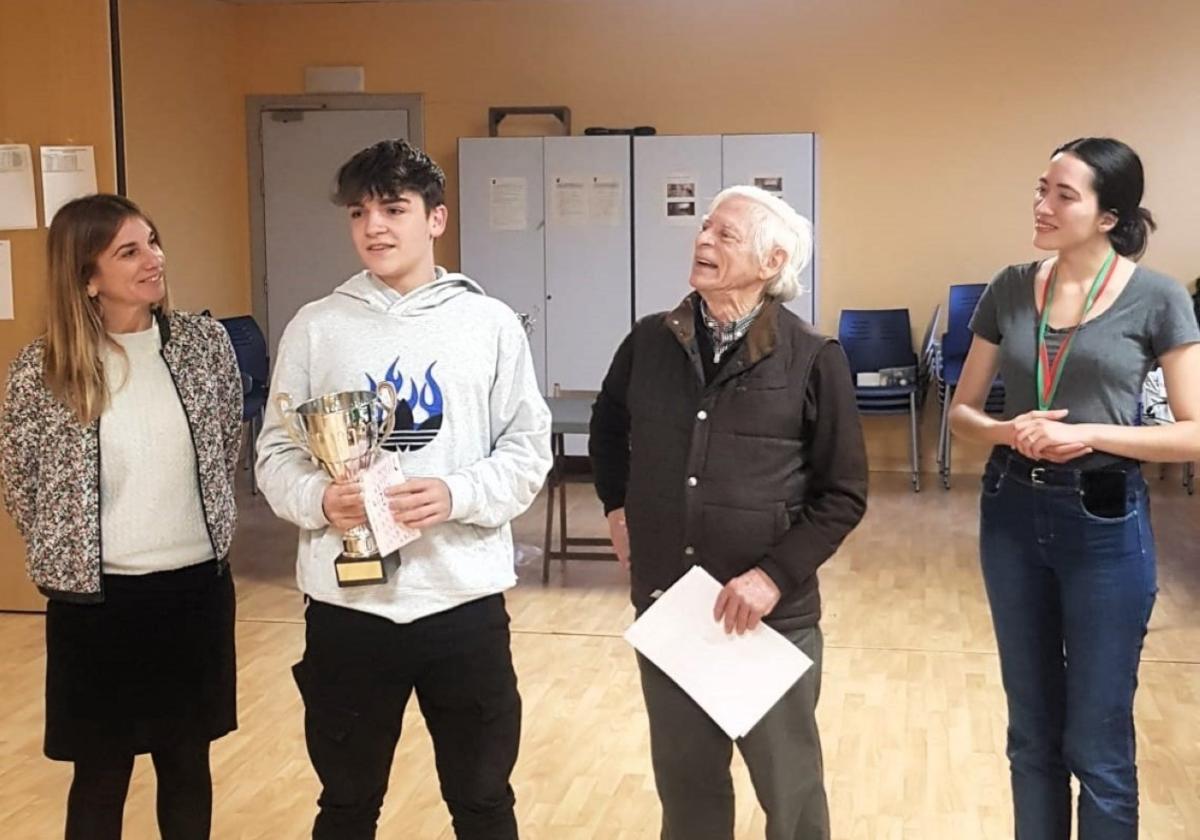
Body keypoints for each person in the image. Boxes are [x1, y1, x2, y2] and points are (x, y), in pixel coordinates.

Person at [255, 139, 551, 840]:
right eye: (360, 213)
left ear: (436, 219)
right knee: (347, 804)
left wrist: (456, 494)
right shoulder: (315, 327)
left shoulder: (490, 324)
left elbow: (527, 448)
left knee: (482, 801)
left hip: (463, 602)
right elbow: (273, 451)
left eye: (394, 208)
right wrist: (319, 501)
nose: (375, 228)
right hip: (346, 606)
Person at [589, 185, 868, 840]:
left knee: (790, 794)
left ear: (773, 263)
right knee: (687, 793)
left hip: (765, 619)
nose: (703, 240)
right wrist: (617, 505)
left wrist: (772, 576)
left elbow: (844, 492)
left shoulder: (812, 358)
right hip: (669, 606)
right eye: (704, 227)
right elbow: (606, 428)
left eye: (725, 234)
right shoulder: (648, 342)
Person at [949, 137, 1200, 839]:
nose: (1043, 205)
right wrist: (1010, 430)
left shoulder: (1159, 297)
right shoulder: (1008, 287)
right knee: (1030, 734)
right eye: (1041, 189)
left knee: (1097, 741)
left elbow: (1193, 432)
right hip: (1011, 511)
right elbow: (963, 414)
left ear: (1108, 216)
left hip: (1104, 521)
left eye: (1064, 195)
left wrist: (1089, 435)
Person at [0, 194, 243, 839]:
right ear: (86, 276)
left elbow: (224, 442)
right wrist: (68, 552)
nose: (153, 259)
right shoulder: (43, 367)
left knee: (188, 764)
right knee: (101, 775)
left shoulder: (203, 344)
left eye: (154, 242)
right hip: (98, 605)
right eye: (128, 251)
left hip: (193, 590)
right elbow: (24, 481)